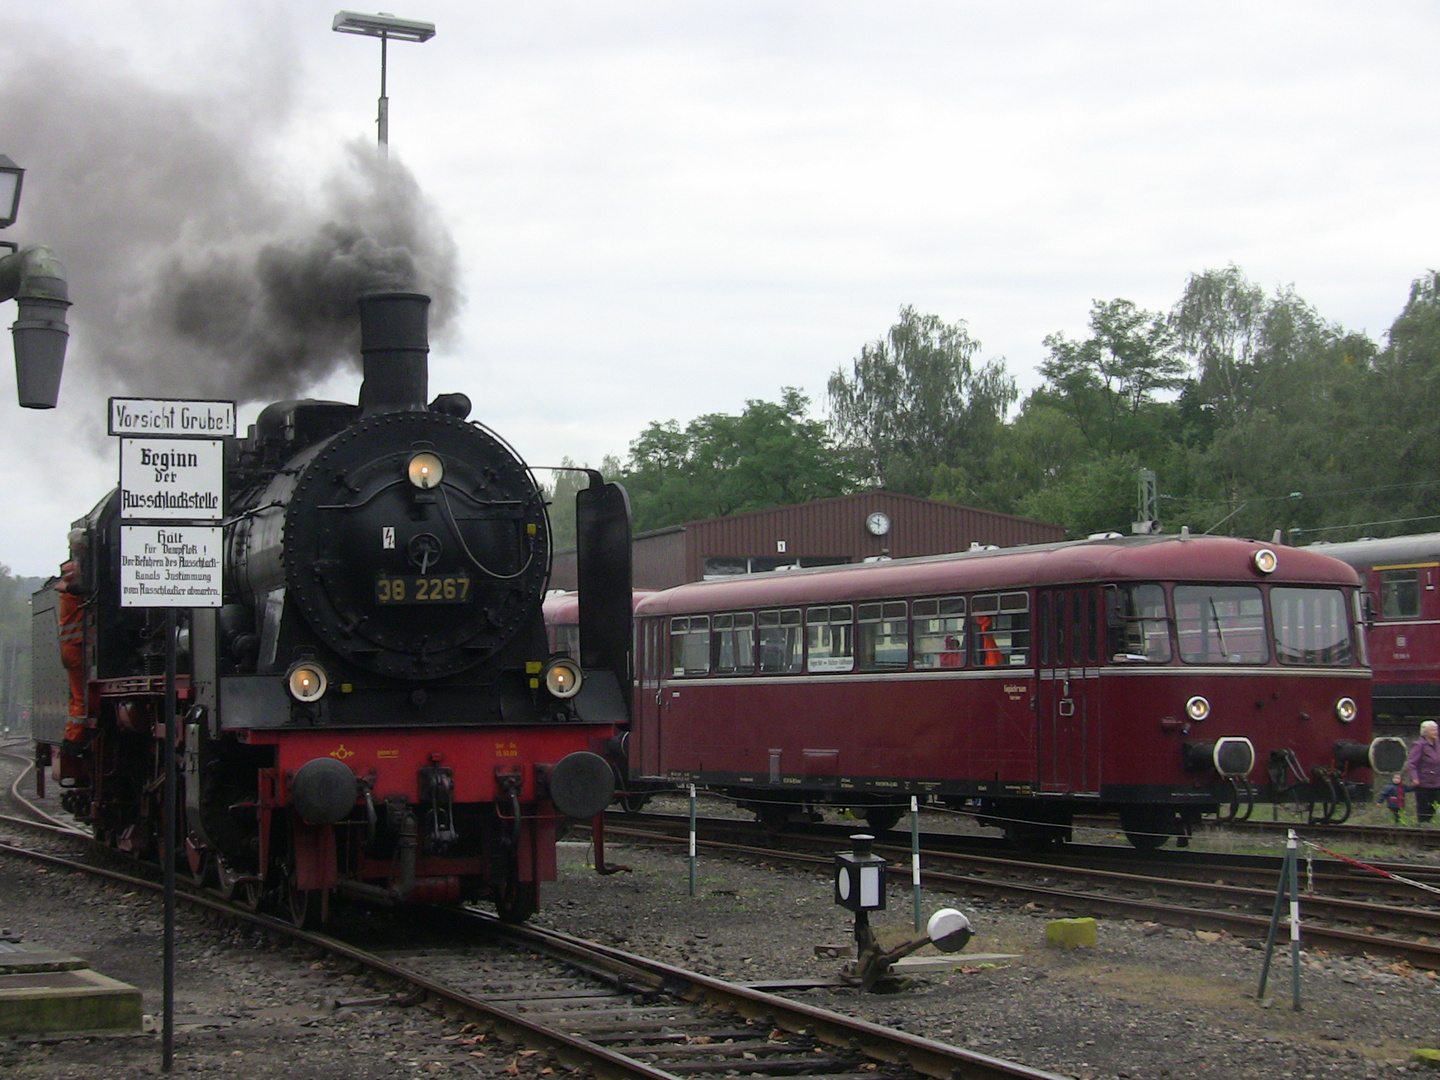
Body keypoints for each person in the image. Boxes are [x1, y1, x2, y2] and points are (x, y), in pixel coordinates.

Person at [56, 529, 89, 759]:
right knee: (78, 698)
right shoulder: (71, 589)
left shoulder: (67, 589)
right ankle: (73, 740)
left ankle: (72, 737)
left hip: (72, 648)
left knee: (76, 697)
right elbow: (84, 588)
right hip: (75, 648)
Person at [1403, 720, 1440, 824]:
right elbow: (1412, 764)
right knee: (1424, 807)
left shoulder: (1437, 744)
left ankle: (1428, 823)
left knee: (1435, 805)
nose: (1436, 732)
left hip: (1437, 782)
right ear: (1426, 732)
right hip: (1423, 783)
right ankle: (1422, 826)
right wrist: (1414, 778)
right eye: (1433, 730)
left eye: (1436, 729)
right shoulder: (1419, 745)